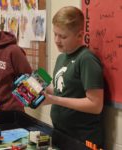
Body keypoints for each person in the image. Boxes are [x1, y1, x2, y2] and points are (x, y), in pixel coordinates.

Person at [43, 6, 104, 149]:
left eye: (63, 36)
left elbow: (95, 105)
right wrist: (41, 89)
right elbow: (61, 90)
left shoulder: (86, 59)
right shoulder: (61, 57)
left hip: (83, 139)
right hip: (61, 134)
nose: (57, 40)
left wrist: (54, 100)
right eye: (55, 34)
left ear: (79, 35)